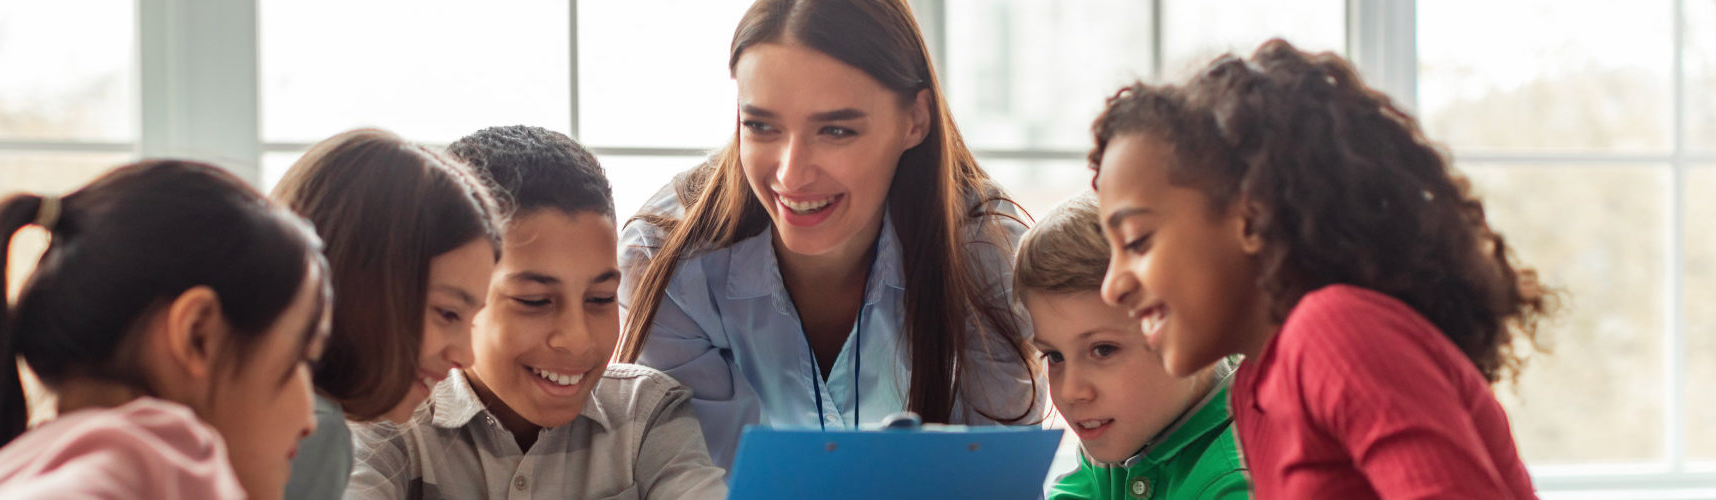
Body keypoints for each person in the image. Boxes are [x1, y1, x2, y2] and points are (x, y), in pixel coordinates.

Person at [1089, 39, 1551, 498]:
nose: (1113, 285)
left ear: (1250, 217)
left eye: (1137, 242)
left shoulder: (1335, 331)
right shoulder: (1257, 389)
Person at [616, 0, 1045, 469]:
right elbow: (697, 482)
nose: (791, 174)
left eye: (836, 130)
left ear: (915, 120)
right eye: (760, 126)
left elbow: (993, 483)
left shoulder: (987, 256)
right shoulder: (665, 258)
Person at [0, 160, 331, 500]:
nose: (309, 419)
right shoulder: (154, 458)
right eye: (302, 360)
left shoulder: (11, 467)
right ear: (198, 335)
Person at [347, 125, 724, 499]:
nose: (577, 338)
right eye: (534, 301)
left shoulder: (647, 414)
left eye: (600, 298)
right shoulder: (391, 420)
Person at [270, 128, 505, 500]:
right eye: (447, 313)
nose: (465, 355)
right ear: (361, 283)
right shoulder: (312, 430)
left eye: (471, 319)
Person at [1015, 194, 1248, 500]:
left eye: (1103, 350)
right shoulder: (1130, 432)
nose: (1071, 391)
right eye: (1055, 356)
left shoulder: (1242, 481)